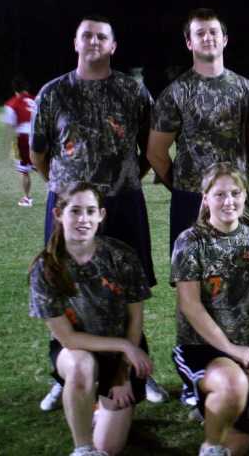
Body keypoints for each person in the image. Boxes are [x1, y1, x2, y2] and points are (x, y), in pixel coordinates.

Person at [30, 15, 165, 409]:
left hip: (121, 202)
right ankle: (67, 373)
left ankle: (136, 370)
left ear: (113, 46)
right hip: (69, 208)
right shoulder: (53, 92)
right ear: (75, 43)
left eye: (101, 37)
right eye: (86, 35)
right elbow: (39, 153)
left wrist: (123, 179)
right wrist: (66, 192)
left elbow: (149, 149)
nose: (93, 42)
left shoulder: (132, 91)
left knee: (128, 287)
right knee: (63, 283)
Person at [29, 183, 153, 456]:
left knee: (109, 447)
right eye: (75, 211)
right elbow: (67, 338)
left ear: (101, 215)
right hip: (76, 351)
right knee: (81, 366)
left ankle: (97, 408)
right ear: (58, 214)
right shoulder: (46, 267)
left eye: (90, 211)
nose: (83, 219)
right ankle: (83, 448)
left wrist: (122, 373)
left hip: (122, 355)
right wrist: (124, 346)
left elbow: (135, 321)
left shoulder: (122, 256)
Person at [171, 163, 249, 456]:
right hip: (203, 348)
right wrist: (232, 350)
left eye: (235, 193)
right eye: (219, 194)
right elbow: (190, 306)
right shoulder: (189, 242)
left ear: (245, 196)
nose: (228, 201)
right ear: (205, 198)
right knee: (233, 387)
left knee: (242, 443)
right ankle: (210, 445)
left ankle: (209, 405)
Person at [148, 8, 249, 253]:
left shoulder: (245, 88)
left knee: (244, 266)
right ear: (189, 42)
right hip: (192, 198)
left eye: (213, 32)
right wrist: (182, 187)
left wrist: (237, 171)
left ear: (225, 39)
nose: (208, 37)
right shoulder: (175, 92)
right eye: (200, 33)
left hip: (236, 194)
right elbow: (155, 152)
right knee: (191, 269)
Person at [3, 75, 36, 207]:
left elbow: (9, 126)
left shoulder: (12, 103)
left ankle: (27, 199)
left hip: (23, 137)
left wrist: (6, 145)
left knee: (24, 170)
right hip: (39, 136)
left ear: (14, 89)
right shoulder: (37, 99)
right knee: (44, 167)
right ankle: (58, 196)